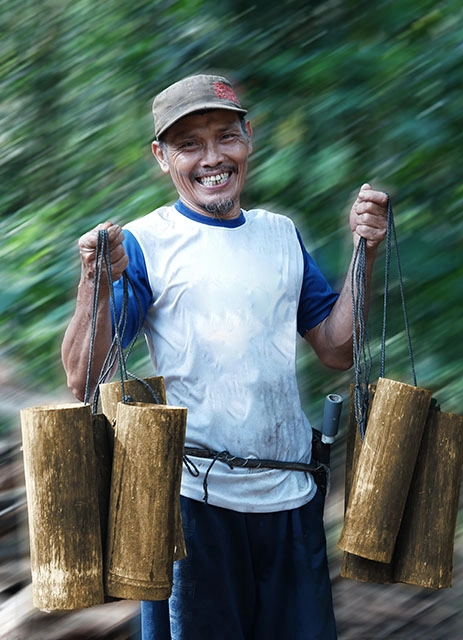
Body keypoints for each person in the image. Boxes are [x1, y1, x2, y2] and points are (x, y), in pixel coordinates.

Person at [62, 73, 388, 640]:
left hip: (291, 498)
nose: (212, 158)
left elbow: (336, 349)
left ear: (248, 139)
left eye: (225, 137)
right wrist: (94, 280)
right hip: (193, 508)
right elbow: (82, 377)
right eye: (189, 145)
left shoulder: (280, 235)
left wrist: (365, 250)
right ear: (162, 157)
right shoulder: (144, 243)